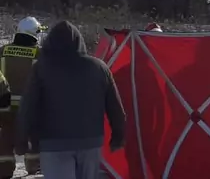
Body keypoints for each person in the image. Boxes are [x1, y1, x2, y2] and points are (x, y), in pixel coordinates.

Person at [15, 20, 126, 179]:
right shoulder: (99, 68)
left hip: (53, 143)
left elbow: (28, 107)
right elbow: (115, 107)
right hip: (91, 142)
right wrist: (118, 136)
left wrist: (21, 140)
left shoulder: (41, 68)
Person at [0, 17, 46, 177]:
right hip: (30, 107)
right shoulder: (40, 54)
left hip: (4, 106)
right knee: (33, 137)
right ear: (34, 34)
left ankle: (4, 169)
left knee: (5, 137)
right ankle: (33, 166)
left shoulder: (3, 51)